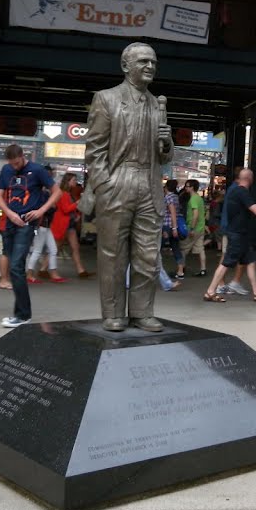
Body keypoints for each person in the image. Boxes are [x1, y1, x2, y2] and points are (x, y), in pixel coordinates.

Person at [84, 42, 174, 333]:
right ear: (126, 66)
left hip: (150, 183)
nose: (150, 67)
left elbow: (165, 156)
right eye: (143, 62)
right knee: (113, 255)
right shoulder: (106, 99)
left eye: (154, 63)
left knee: (148, 255)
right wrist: (104, 186)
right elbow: (95, 151)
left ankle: (141, 313)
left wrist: (168, 142)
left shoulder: (157, 104)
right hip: (118, 181)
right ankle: (113, 314)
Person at [0, 144, 61, 328]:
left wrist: (41, 210)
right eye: (12, 163)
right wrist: (9, 213)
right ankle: (21, 313)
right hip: (10, 221)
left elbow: (57, 192)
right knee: (12, 264)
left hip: (26, 222)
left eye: (17, 163)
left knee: (16, 266)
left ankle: (23, 314)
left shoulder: (37, 170)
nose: (15, 167)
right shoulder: (6, 170)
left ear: (22, 156)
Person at [203, 168, 256, 303]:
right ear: (249, 179)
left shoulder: (234, 191)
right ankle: (210, 291)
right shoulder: (241, 192)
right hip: (237, 234)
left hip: (241, 233)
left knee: (250, 261)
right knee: (226, 263)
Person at [50, 172, 92, 278]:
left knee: (73, 247)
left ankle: (80, 270)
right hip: (65, 224)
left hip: (68, 224)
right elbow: (66, 209)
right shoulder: (64, 194)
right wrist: (77, 203)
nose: (75, 182)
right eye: (73, 180)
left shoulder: (66, 193)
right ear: (68, 181)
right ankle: (46, 268)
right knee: (57, 247)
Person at [181, 179, 208, 276]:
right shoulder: (199, 198)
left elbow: (195, 214)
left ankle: (181, 269)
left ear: (192, 187)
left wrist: (191, 228)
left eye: (187, 186)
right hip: (201, 227)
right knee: (200, 249)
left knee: (183, 248)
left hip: (193, 228)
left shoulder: (193, 199)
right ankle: (203, 269)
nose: (185, 188)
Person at [162, 179, 185, 279]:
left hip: (167, 225)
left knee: (157, 247)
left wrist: (174, 227)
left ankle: (157, 272)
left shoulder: (168, 197)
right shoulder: (176, 197)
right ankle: (180, 271)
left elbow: (172, 213)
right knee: (176, 248)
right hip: (173, 227)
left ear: (166, 187)